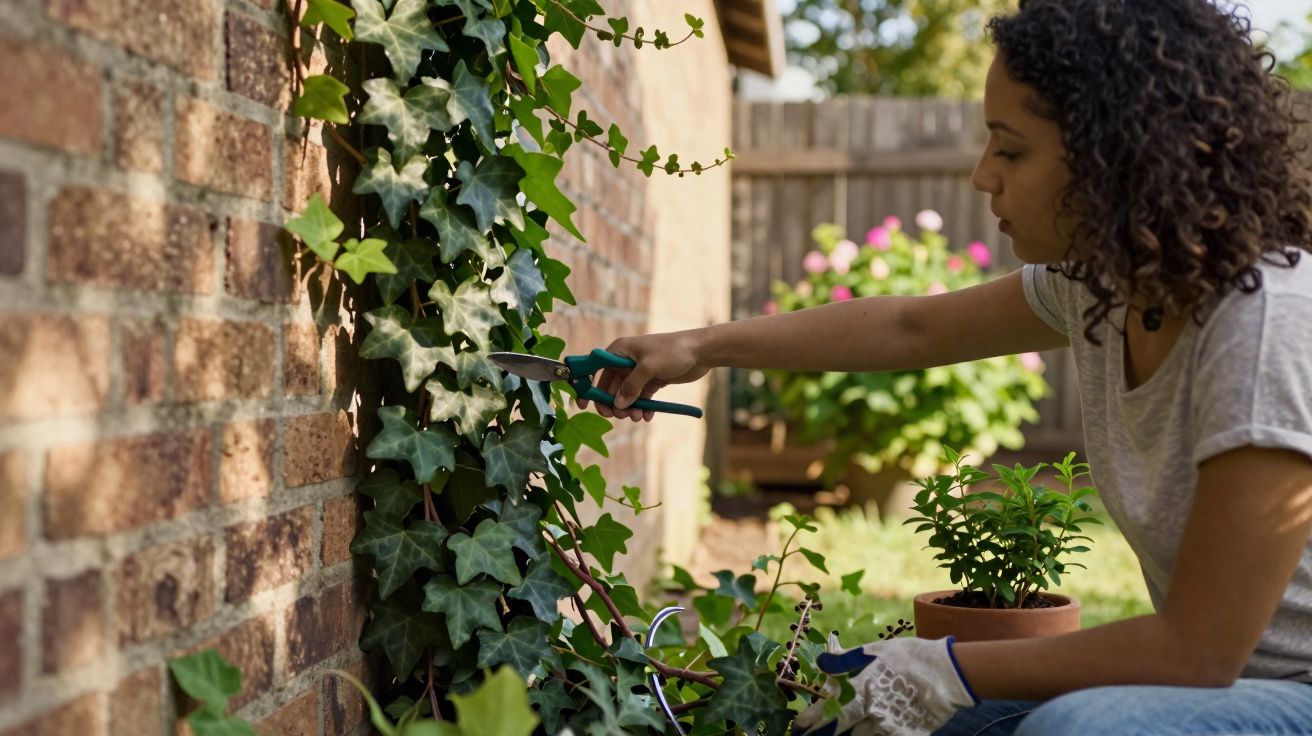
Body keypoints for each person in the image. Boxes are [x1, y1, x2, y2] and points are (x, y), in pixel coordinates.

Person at [575, 0, 1312, 733]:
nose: (981, 176)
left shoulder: (1263, 323)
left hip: (1280, 687)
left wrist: (942, 666)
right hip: (1212, 689)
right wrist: (697, 348)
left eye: (1011, 150)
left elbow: (1198, 653)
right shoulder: (1106, 286)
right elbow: (909, 327)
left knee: (1077, 729)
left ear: (1118, 156)